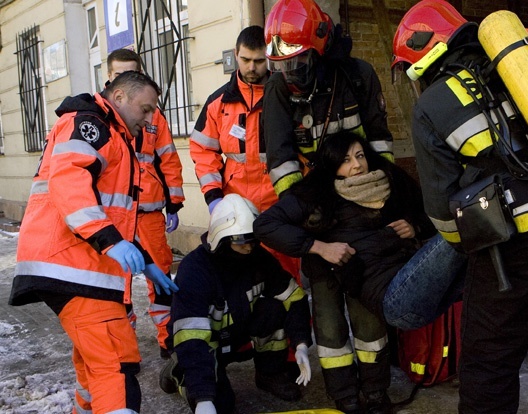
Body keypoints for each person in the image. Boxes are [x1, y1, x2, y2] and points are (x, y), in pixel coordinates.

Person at [391, 1, 528, 412]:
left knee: (489, 361)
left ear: (422, 60)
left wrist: (466, 250)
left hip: (515, 238)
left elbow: (440, 211)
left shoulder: (432, 104)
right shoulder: (523, 73)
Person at [9, 71, 179, 413]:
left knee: (94, 360)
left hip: (77, 263)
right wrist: (110, 242)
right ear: (118, 97)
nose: (149, 121)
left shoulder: (112, 133)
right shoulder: (91, 125)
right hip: (73, 264)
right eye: (145, 110)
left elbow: (111, 211)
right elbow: (70, 183)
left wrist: (144, 259)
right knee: (115, 364)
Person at [254, 131, 444, 413]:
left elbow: (429, 212)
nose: (356, 165)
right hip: (325, 272)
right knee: (331, 335)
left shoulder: (390, 180)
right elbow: (266, 226)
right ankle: (344, 395)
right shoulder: (314, 191)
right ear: (331, 165)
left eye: (359, 156)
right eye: (345, 160)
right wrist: (318, 246)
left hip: (368, 274)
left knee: (371, 332)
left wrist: (415, 226)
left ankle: (376, 393)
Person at [158, 194, 312, 414]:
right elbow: (191, 337)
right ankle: (178, 373)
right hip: (205, 345)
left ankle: (270, 373)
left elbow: (294, 297)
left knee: (274, 308)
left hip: (238, 335)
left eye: (254, 240)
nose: (249, 248)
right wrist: (202, 398)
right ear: (221, 239)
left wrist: (301, 344)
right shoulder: (195, 270)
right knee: (221, 406)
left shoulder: (260, 259)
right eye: (241, 242)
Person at [189, 25, 299, 279]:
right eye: (245, 60)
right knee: (237, 278)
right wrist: (214, 196)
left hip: (279, 204)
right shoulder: (219, 102)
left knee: (285, 275)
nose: (251, 68)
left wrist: (296, 196)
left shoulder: (287, 98)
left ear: (269, 57)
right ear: (236, 54)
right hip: (234, 206)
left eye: (259, 61)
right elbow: (203, 150)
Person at [263, 0, 394, 197]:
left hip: (363, 188)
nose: (288, 72)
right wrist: (297, 203)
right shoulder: (278, 87)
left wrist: (385, 185)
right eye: (281, 64)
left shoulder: (358, 75)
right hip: (313, 192)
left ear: (318, 51)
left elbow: (379, 140)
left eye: (297, 61)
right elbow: (280, 157)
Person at [107, 48, 185, 360]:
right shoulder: (97, 118)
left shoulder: (154, 116)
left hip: (149, 212)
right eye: (119, 73)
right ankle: (122, 351)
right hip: (115, 217)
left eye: (133, 71)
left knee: (162, 279)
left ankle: (171, 339)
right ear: (112, 79)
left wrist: (175, 203)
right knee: (117, 286)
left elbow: (168, 157)